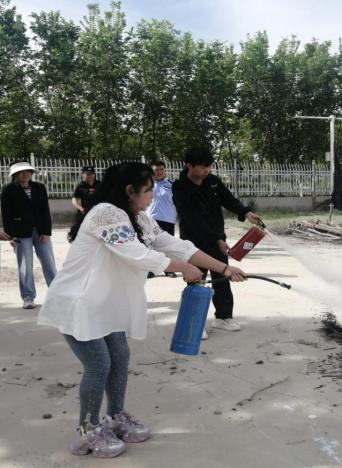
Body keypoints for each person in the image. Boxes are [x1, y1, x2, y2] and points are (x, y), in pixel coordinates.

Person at [38, 162, 246, 458]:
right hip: (78, 303)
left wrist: (224, 268)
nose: (152, 196)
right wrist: (183, 268)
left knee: (120, 357)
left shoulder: (139, 218)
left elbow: (178, 246)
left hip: (105, 304)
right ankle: (88, 430)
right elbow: (138, 255)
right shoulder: (105, 213)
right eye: (148, 190)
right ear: (129, 190)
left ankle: (116, 416)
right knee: (99, 365)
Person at [172, 147, 262, 338]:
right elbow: (194, 219)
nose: (207, 170)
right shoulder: (180, 188)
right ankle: (193, 323)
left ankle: (223, 317)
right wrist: (217, 239)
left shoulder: (212, 181)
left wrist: (245, 212)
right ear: (189, 166)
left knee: (222, 278)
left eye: (209, 166)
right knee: (196, 280)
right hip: (194, 243)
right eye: (202, 167)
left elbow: (228, 199)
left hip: (217, 239)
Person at [0, 160, 57, 309]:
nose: (25, 175)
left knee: (49, 263)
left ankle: (57, 294)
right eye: (21, 172)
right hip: (20, 232)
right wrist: (11, 236)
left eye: (27, 172)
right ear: (15, 175)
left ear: (31, 173)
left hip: (40, 231)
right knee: (25, 266)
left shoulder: (39, 188)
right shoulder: (8, 190)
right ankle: (28, 297)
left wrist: (46, 231)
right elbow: (6, 215)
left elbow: (45, 211)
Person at [145, 160, 177, 278]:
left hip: (167, 219)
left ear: (165, 170)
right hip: (150, 219)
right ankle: (151, 269)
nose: (159, 172)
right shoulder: (147, 185)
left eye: (161, 169)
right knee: (150, 245)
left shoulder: (172, 185)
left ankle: (169, 269)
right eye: (156, 170)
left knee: (167, 246)